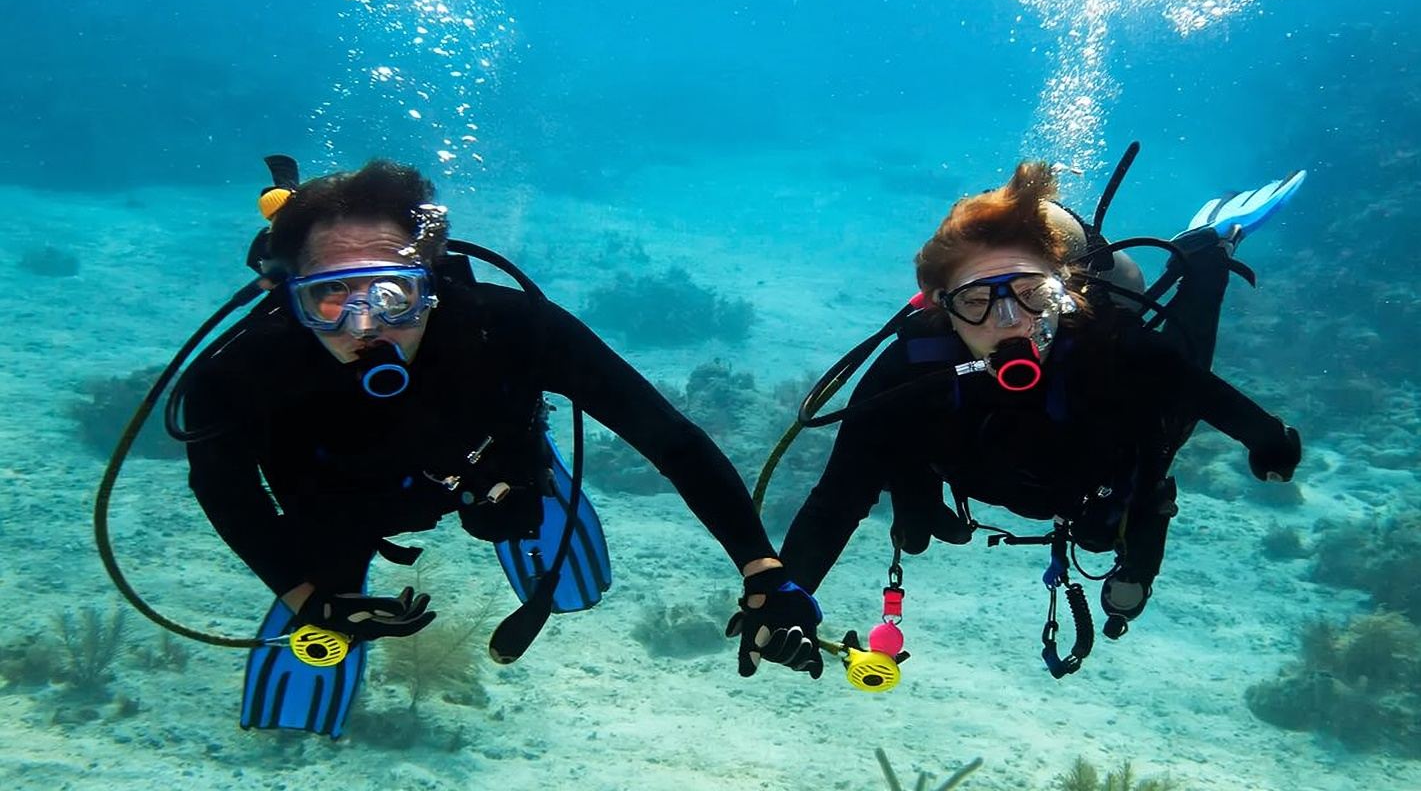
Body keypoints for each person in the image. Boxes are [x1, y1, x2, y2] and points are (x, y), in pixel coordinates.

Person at [178, 159, 822, 737]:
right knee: (323, 626)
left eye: (391, 292)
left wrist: (763, 571)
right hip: (338, 501)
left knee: (521, 510)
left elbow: (670, 439)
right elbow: (222, 486)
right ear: (289, 297)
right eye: (330, 294)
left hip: (488, 473)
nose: (365, 323)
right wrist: (300, 594)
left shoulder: (511, 329)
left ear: (428, 279)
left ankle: (535, 492)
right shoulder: (238, 372)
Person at [777, 160, 1303, 675]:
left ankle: (1205, 255)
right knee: (914, 524)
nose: (1010, 322)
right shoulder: (910, 369)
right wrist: (788, 594)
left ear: (1063, 290)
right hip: (980, 464)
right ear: (942, 307)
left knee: (1165, 424)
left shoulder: (1108, 343)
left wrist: (1265, 437)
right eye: (977, 301)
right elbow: (836, 498)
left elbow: (1197, 387)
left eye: (1032, 295)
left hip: (1097, 463)